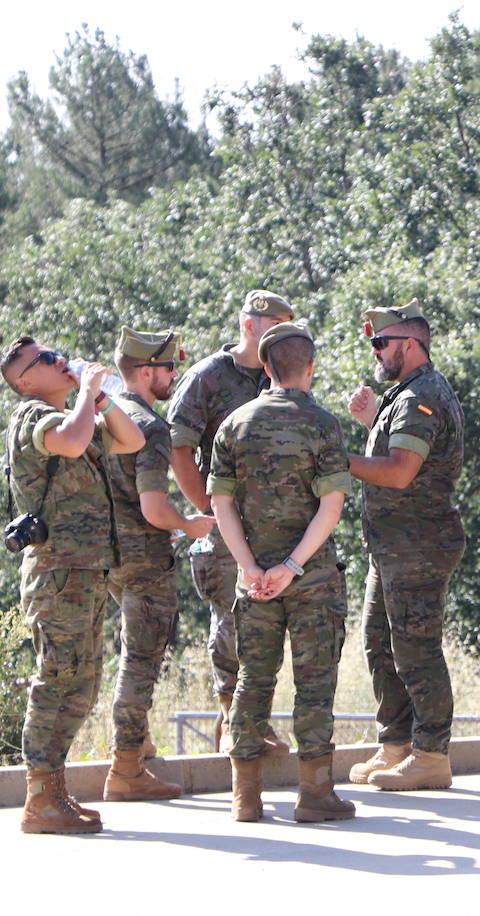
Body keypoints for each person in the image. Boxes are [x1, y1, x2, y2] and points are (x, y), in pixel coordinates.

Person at [208, 322, 354, 823]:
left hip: (254, 583)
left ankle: (245, 796)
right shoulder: (324, 424)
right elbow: (330, 507)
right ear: (310, 367)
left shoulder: (235, 424)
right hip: (311, 579)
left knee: (253, 679)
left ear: (265, 368)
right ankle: (315, 795)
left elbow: (220, 505)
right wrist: (293, 567)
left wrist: (251, 567)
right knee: (314, 683)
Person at [4, 337, 145, 834]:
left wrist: (101, 398)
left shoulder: (78, 416)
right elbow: (69, 442)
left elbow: (131, 440)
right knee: (57, 680)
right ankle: (39, 796)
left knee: (82, 684)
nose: (58, 361)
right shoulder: (32, 416)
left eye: (55, 353)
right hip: (58, 572)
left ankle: (54, 789)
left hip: (85, 569)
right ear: (24, 382)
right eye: (44, 361)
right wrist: (86, 391)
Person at [344, 300, 466, 792]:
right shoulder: (406, 395)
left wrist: (337, 457)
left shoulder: (423, 396)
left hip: (418, 546)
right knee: (379, 644)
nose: (377, 352)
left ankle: (431, 754)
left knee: (415, 651)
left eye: (382, 343)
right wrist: (373, 421)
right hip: (394, 546)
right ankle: (396, 745)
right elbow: (400, 451)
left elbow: (399, 471)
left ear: (410, 344)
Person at [168, 289, 293, 754]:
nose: (281, 336)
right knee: (233, 619)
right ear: (250, 325)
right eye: (274, 325)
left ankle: (254, 719)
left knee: (267, 622)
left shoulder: (282, 376)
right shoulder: (208, 378)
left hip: (275, 522)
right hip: (225, 524)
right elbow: (178, 447)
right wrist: (207, 509)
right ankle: (234, 719)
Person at [102, 328, 216, 803]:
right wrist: (189, 524)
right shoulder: (148, 427)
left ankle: (140, 741)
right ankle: (127, 767)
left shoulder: (104, 415)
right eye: (169, 368)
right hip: (145, 559)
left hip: (108, 557)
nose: (174, 376)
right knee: (141, 661)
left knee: (132, 652)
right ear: (146, 371)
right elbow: (153, 508)